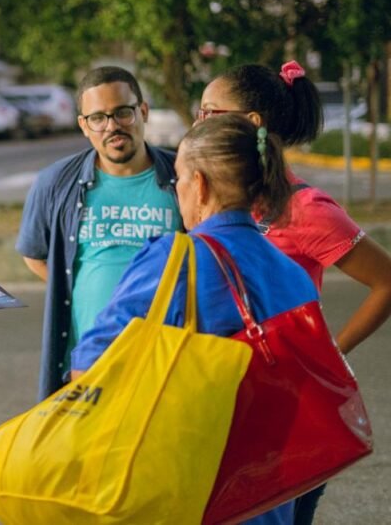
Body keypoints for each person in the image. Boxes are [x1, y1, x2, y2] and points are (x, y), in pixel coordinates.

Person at [71, 114, 318, 525]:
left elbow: (90, 366)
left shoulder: (175, 260)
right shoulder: (294, 275)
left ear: (199, 185)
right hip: (270, 499)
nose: (178, 190)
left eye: (180, 179)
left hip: (182, 494)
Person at [197, 60, 391, 524]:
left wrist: (329, 353)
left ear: (252, 122)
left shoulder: (305, 208)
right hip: (220, 398)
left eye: (210, 112)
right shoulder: (205, 199)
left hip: (284, 409)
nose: (198, 124)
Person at [16, 66, 181, 400]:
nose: (112, 126)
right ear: (83, 125)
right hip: (88, 360)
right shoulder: (55, 183)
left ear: (143, 111)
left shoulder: (183, 177)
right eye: (98, 118)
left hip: (166, 356)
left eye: (123, 112)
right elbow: (34, 255)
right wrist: (77, 287)